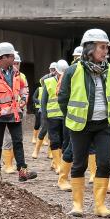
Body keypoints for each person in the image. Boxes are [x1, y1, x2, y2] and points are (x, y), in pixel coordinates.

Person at [58, 28, 110, 217]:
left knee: (104, 163)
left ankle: (99, 206)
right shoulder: (73, 70)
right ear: (89, 48)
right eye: (102, 47)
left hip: (104, 124)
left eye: (106, 48)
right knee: (79, 164)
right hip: (81, 125)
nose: (105, 51)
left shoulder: (109, 69)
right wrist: (71, 116)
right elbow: (63, 97)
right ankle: (77, 205)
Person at [0, 42, 37, 182]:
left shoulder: (16, 73)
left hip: (14, 113)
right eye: (11, 56)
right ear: (2, 58)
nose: (14, 59)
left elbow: (24, 88)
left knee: (18, 142)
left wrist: (24, 98)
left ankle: (22, 171)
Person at [41, 59, 71, 190]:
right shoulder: (48, 82)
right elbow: (44, 100)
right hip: (52, 116)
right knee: (55, 140)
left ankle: (59, 162)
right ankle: (58, 165)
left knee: (65, 140)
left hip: (66, 115)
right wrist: (44, 115)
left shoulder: (70, 81)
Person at [0, 51, 30, 173]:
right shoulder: (3, 75)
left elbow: (25, 92)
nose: (16, 65)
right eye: (15, 62)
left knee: (18, 138)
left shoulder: (22, 76)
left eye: (18, 63)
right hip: (8, 110)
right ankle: (8, 164)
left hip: (19, 110)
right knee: (8, 138)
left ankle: (10, 162)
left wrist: (24, 106)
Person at [32, 62, 57, 158]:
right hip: (45, 110)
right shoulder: (46, 80)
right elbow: (41, 80)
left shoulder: (60, 80)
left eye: (55, 69)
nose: (53, 71)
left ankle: (50, 152)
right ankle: (36, 150)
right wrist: (50, 74)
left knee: (53, 133)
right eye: (52, 69)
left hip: (56, 111)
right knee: (44, 129)